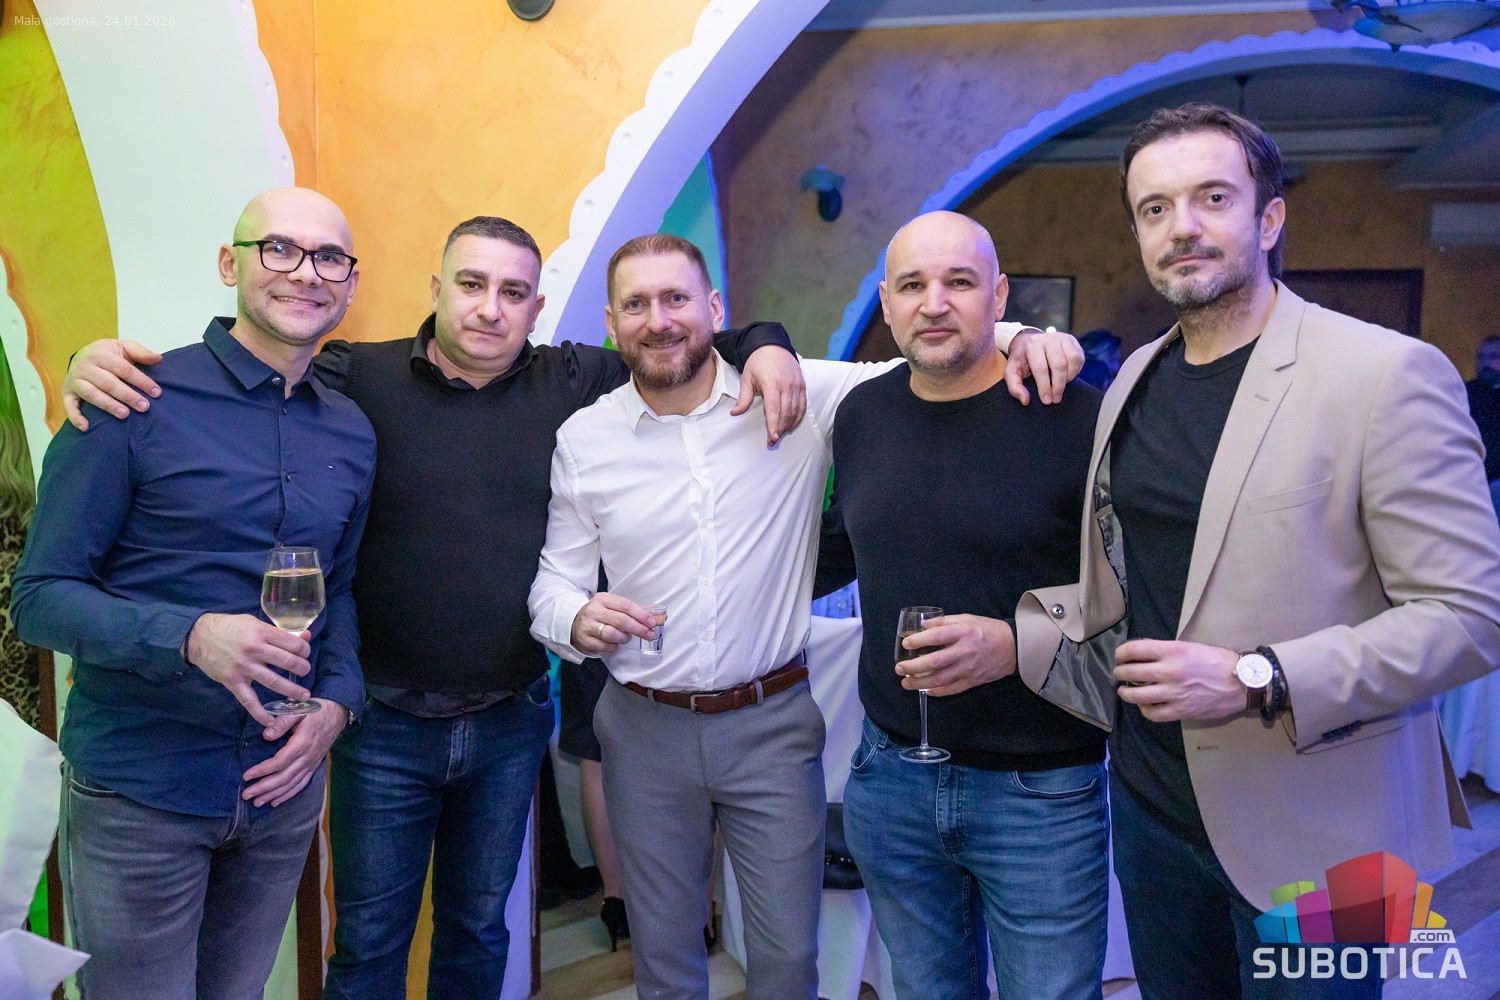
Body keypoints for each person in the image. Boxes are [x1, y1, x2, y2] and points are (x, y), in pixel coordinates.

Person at [59, 215, 807, 1000]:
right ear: (436, 289)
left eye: (513, 292)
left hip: (510, 719)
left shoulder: (576, 379)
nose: (489, 308)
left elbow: (678, 338)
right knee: (369, 942)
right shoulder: (356, 374)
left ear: (537, 306)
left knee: (479, 931)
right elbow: (245, 368)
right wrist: (90, 360)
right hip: (380, 724)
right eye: (471, 284)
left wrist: (768, 345)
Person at [1014, 102, 1500, 999]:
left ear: (1269, 218)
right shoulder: (1133, 379)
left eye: (1212, 197)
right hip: (1154, 814)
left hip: (1329, 830)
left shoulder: (1385, 374)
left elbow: (1471, 619)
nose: (1182, 227)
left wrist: (1255, 676)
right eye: (1155, 208)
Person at [527, 233, 1084, 999]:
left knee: (789, 959)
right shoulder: (586, 438)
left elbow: (928, 356)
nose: (658, 320)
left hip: (772, 722)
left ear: (714, 308)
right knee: (664, 956)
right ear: (611, 322)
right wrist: (574, 616)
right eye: (637, 304)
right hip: (642, 722)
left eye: (677, 298)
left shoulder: (803, 392)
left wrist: (1024, 336)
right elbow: (552, 582)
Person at [11, 187, 377, 999]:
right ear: (229, 264)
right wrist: (188, 636)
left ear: (351, 284)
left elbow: (341, 589)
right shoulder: (132, 398)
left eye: (328, 258)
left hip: (281, 792)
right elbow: (37, 597)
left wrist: (338, 705)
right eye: (278, 249)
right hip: (141, 794)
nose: (305, 272)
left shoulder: (352, 430)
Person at [815, 210, 1107, 1000]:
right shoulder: (863, 415)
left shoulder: (1076, 417)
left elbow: (1137, 591)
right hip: (890, 778)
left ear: (999, 297)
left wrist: (1015, 642)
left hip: (1039, 791)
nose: (934, 303)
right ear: (886, 302)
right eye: (913, 285)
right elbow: (840, 545)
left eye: (960, 282)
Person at [1465, 333, 1500, 483]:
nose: (1486, 362)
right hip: (1473, 473)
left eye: (1493, 356)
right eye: (1481, 357)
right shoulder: (1466, 392)